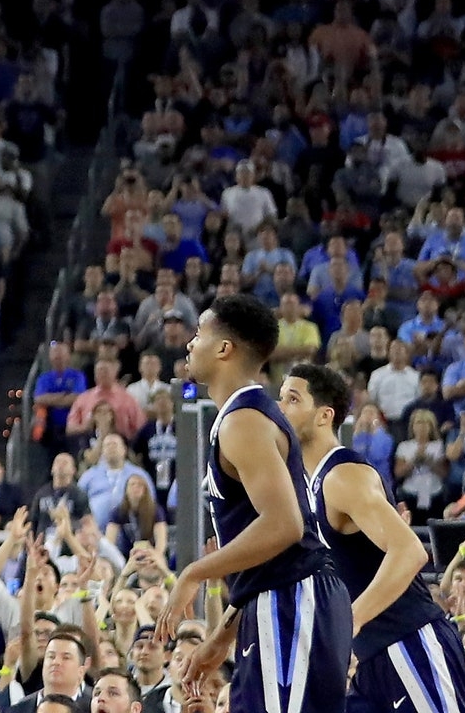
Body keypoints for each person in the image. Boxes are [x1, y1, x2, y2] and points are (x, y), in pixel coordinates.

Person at [166, 295, 351, 713]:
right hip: (280, 598)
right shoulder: (243, 416)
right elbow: (267, 561)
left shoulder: (243, 421)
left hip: (296, 598)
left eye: (198, 334)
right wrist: (220, 639)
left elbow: (284, 526)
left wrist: (194, 572)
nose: (190, 344)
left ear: (224, 349)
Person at [278, 361, 465, 713]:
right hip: (372, 657)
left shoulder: (342, 475)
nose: (279, 409)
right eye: (280, 399)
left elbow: (410, 551)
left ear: (325, 416)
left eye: (292, 400)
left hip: (409, 640)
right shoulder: (306, 487)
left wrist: (350, 620)